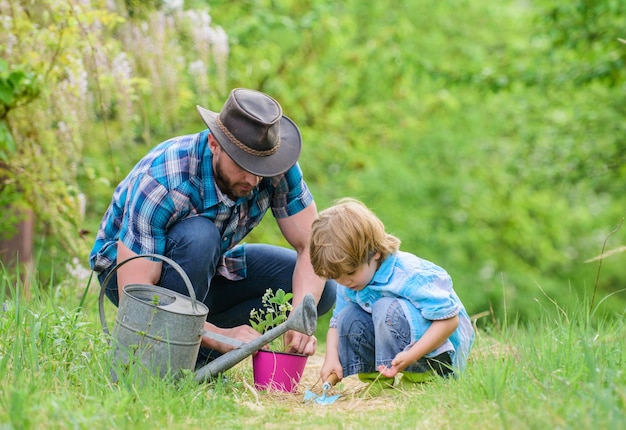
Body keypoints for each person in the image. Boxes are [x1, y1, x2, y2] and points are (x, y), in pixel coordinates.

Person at [90, 88, 336, 366]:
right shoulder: (164, 181)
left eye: (261, 167)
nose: (253, 179)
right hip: (132, 275)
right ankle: (167, 357)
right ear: (213, 143)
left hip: (206, 267)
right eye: (243, 165)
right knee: (199, 237)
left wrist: (297, 321)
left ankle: (199, 355)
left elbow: (311, 247)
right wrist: (218, 334)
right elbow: (136, 296)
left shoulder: (276, 168)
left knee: (319, 295)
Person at [309, 198, 474, 391]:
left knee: (385, 308)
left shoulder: (408, 275)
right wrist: (331, 358)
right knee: (349, 316)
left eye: (351, 273)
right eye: (336, 277)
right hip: (403, 349)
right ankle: (379, 379)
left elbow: (449, 321)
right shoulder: (349, 281)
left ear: (375, 252)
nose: (345, 282)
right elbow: (337, 322)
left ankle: (422, 378)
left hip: (438, 354)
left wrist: (412, 355)